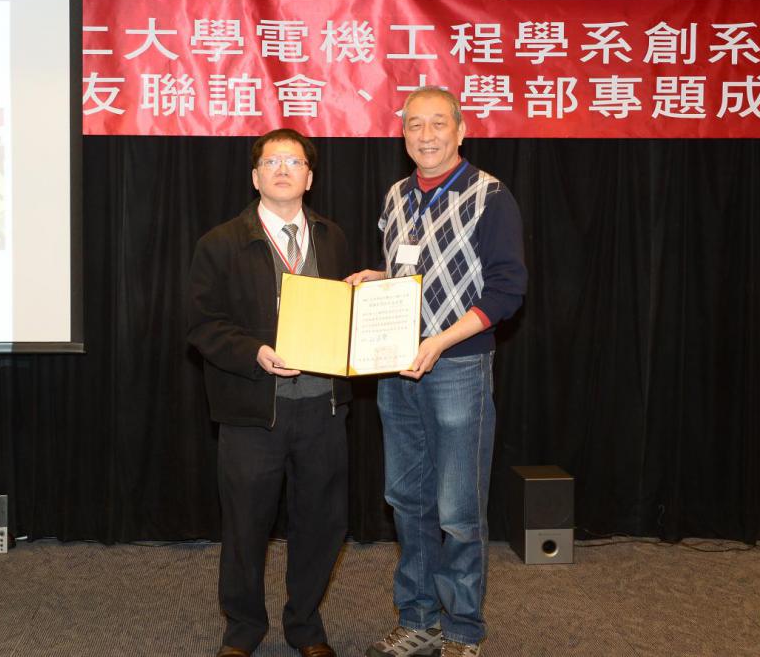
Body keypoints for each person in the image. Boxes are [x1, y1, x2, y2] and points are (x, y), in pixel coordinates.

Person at [347, 87, 527, 657]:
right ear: (402, 134)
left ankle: (463, 630)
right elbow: (417, 267)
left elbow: (507, 291)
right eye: (414, 125)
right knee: (407, 500)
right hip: (397, 367)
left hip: (458, 369)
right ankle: (419, 619)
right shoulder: (397, 195)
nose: (425, 135)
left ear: (461, 130)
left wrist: (440, 342)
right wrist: (379, 278)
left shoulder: (490, 195)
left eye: (438, 124)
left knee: (459, 510)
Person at [187, 128, 351, 657]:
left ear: (310, 177)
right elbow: (203, 325)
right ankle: (243, 629)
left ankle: (305, 625)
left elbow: (343, 316)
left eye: (294, 161)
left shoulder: (332, 237)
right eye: (272, 161)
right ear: (255, 177)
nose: (283, 169)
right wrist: (254, 351)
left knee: (321, 524)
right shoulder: (220, 243)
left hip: (323, 408)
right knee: (244, 526)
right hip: (253, 411)